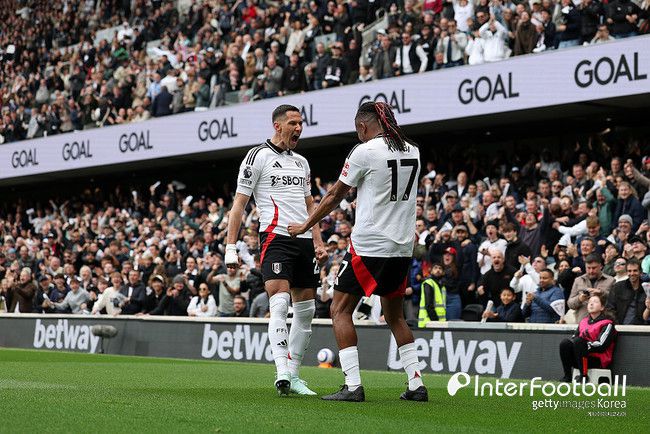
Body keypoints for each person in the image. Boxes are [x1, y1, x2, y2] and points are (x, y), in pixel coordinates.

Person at [288, 101, 428, 402]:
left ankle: (353, 385)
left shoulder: (365, 151)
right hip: (401, 246)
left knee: (339, 310)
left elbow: (334, 195)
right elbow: (388, 191)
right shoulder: (412, 149)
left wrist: (305, 225)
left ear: (363, 126)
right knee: (395, 316)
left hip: (370, 246)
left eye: (357, 130)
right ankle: (416, 384)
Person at [226, 104, 327, 396]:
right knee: (280, 304)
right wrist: (230, 246)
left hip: (304, 241)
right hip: (275, 237)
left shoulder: (302, 162)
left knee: (306, 311)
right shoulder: (257, 156)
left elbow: (310, 205)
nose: (299, 128)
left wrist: (318, 241)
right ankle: (281, 370)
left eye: (301, 123)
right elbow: (239, 204)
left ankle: (294, 375)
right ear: (277, 125)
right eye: (293, 123)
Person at [559, 294, 616, 382]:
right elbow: (574, 338)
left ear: (602, 307)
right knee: (565, 343)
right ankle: (567, 376)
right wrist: (580, 346)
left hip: (597, 360)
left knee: (579, 342)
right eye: (589, 302)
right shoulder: (583, 321)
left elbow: (601, 345)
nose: (591, 304)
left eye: (595, 302)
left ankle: (584, 376)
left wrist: (584, 346)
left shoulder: (607, 323)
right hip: (580, 357)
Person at [566, 254, 614, 322]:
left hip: (603, 322)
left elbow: (614, 302)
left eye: (594, 268)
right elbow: (570, 304)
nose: (591, 271)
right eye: (588, 268)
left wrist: (601, 293)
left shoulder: (611, 280)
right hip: (582, 322)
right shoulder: (578, 280)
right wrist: (579, 299)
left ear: (600, 266)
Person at [606, 260, 648, 324]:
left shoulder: (646, 288)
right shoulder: (618, 287)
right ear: (626, 272)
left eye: (635, 270)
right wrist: (616, 324)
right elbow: (610, 308)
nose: (632, 273)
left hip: (642, 327)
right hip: (620, 326)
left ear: (640, 272)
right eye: (629, 271)